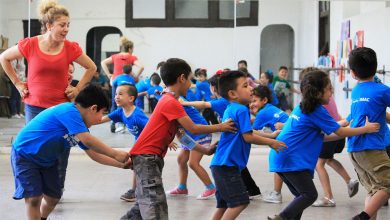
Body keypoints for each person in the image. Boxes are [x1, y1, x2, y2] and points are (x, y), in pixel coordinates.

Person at [120, 58, 236, 220]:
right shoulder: (171, 102)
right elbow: (193, 128)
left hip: (148, 158)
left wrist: (205, 150)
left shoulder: (168, 99)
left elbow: (182, 137)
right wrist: (220, 127)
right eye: (189, 79)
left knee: (142, 207)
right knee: (155, 207)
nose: (190, 83)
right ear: (182, 78)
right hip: (147, 158)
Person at [0, 0, 96, 195]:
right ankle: (35, 189)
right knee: (34, 147)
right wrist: (18, 83)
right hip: (34, 107)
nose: (66, 29)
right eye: (62, 25)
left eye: (68, 25)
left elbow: (91, 67)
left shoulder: (70, 48)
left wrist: (77, 90)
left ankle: (55, 191)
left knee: (61, 150)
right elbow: (4, 58)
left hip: (62, 109)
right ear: (49, 25)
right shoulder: (30, 44)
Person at [267, 70, 380, 220]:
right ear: (318, 93)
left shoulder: (303, 107)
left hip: (281, 156)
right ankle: (281, 217)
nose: (332, 92)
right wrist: (365, 129)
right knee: (309, 194)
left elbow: (325, 135)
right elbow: (339, 132)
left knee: (299, 197)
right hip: (290, 158)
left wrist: (346, 123)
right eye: (329, 89)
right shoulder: (316, 110)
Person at [10, 84, 130, 220]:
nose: (100, 119)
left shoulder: (79, 126)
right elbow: (88, 140)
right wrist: (115, 153)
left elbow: (94, 154)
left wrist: (121, 164)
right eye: (102, 113)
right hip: (25, 155)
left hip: (48, 161)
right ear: (93, 108)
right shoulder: (69, 110)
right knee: (34, 198)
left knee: (53, 198)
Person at [210, 70, 286, 220]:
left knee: (224, 205)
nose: (251, 88)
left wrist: (269, 135)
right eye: (245, 85)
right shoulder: (242, 110)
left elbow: (248, 131)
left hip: (221, 165)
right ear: (233, 94)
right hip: (227, 166)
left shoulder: (231, 108)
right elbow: (248, 137)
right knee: (240, 202)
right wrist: (271, 142)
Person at [182, 74, 262, 199]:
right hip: (216, 139)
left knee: (195, 163)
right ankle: (185, 187)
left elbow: (200, 114)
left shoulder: (227, 104)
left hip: (206, 137)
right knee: (183, 160)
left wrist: (185, 103)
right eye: (245, 86)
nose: (251, 89)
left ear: (213, 88)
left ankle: (212, 188)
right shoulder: (232, 105)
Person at [346, 47, 390, 220]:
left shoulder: (357, 90)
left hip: (354, 148)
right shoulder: (382, 90)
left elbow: (376, 111)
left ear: (353, 73)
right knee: (387, 184)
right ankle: (362, 217)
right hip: (371, 148)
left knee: (374, 189)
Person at [99, 83, 148, 202]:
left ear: (131, 98)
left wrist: (167, 141)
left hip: (148, 145)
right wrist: (83, 121)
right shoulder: (120, 112)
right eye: (116, 94)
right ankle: (136, 190)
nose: (116, 96)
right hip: (138, 144)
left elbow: (153, 128)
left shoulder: (137, 115)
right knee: (137, 168)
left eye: (120, 94)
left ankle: (137, 191)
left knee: (142, 168)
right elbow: (101, 120)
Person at [166, 95, 216, 200]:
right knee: (181, 159)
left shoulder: (175, 101)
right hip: (188, 135)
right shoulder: (174, 99)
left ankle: (211, 188)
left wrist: (169, 139)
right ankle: (182, 188)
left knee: (193, 163)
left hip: (200, 134)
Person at [249, 85, 288, 204]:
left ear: (264, 100)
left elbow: (250, 132)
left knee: (278, 163)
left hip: (285, 137)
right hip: (290, 134)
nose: (251, 104)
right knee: (281, 165)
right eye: (250, 102)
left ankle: (276, 194)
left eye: (254, 101)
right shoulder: (269, 108)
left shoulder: (262, 113)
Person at [101, 36, 144, 124]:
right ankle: (129, 122)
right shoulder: (132, 57)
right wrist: (136, 76)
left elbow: (103, 62)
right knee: (130, 103)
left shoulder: (115, 56)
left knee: (115, 102)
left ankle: (113, 123)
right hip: (128, 85)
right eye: (132, 49)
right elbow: (142, 67)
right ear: (130, 48)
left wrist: (109, 74)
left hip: (117, 82)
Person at [110, 64, 136, 133]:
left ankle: (113, 122)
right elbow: (134, 89)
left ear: (122, 70)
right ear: (130, 71)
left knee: (115, 107)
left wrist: (111, 79)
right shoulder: (132, 79)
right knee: (126, 110)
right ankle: (123, 125)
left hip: (119, 97)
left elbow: (113, 84)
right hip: (128, 98)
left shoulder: (118, 77)